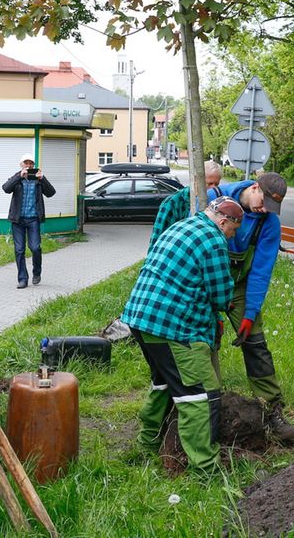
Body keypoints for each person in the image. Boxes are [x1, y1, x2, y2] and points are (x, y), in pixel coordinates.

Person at [120, 196, 245, 473]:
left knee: (164, 384)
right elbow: (221, 294)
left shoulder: (182, 226)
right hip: (172, 326)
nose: (232, 237)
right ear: (223, 222)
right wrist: (227, 305)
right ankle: (206, 469)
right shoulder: (213, 241)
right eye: (233, 231)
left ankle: (147, 443)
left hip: (140, 318)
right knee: (196, 395)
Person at [217, 172, 294, 443]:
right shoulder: (215, 198)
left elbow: (261, 272)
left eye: (271, 207)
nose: (264, 209)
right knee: (201, 340)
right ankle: (203, 407)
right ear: (255, 187)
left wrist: (249, 313)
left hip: (239, 287)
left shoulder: (269, 223)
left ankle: (272, 409)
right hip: (207, 280)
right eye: (263, 201)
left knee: (256, 344)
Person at [2, 153, 56, 289]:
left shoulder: (38, 179)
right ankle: (22, 279)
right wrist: (19, 177)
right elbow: (6, 188)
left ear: (34, 164)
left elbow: (51, 193)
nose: (28, 165)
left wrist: (42, 179)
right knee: (19, 250)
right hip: (18, 220)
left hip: (33, 220)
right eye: (26, 163)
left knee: (35, 247)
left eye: (30, 163)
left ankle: (36, 273)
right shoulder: (17, 178)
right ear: (22, 165)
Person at [148, 161, 224, 248]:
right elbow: (157, 240)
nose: (213, 188)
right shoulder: (173, 203)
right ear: (196, 180)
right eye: (210, 183)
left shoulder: (216, 202)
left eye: (216, 184)